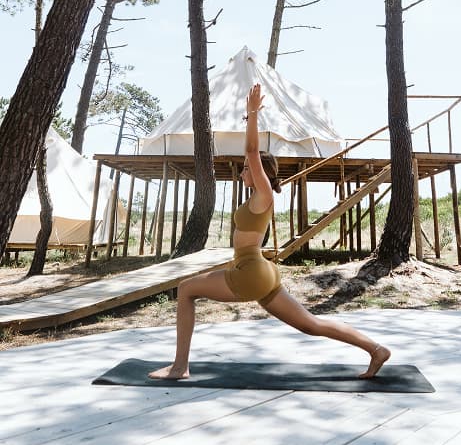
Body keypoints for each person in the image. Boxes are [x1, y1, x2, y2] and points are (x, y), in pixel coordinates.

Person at [149, 83, 390, 380]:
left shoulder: (264, 195)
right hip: (257, 271)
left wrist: (252, 114)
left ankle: (179, 367)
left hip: (251, 272)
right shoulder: (256, 197)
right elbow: (251, 159)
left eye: (246, 169)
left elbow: (252, 151)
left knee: (186, 289)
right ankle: (375, 349)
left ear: (260, 172)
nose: (242, 172)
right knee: (310, 324)